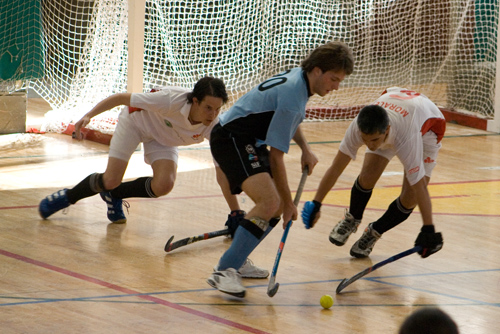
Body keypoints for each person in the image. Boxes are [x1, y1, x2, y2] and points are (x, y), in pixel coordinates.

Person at [38, 77, 265, 276]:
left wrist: (235, 211)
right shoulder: (170, 100)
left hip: (163, 139)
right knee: (109, 179)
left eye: (217, 109)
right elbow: (121, 98)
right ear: (194, 101)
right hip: (136, 123)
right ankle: (69, 196)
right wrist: (88, 116)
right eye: (208, 108)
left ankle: (113, 195)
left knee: (164, 184)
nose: (213, 114)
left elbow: (222, 172)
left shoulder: (214, 126)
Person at [206, 41, 355, 298]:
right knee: (271, 202)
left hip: (248, 141)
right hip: (231, 139)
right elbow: (277, 158)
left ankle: (237, 258)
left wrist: (305, 148)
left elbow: (286, 120)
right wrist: (288, 203)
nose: (336, 87)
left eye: (340, 81)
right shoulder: (293, 96)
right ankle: (224, 270)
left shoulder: (299, 80)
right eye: (334, 79)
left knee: (272, 206)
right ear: (317, 71)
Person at [301, 87, 445, 259]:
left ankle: (374, 232)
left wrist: (428, 228)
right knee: (368, 175)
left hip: (427, 130)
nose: (369, 145)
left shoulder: (406, 137)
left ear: (387, 130)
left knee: (411, 196)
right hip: (397, 107)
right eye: (365, 139)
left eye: (374, 140)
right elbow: (336, 168)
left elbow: (420, 186)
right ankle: (352, 218)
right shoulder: (358, 128)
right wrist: (317, 203)